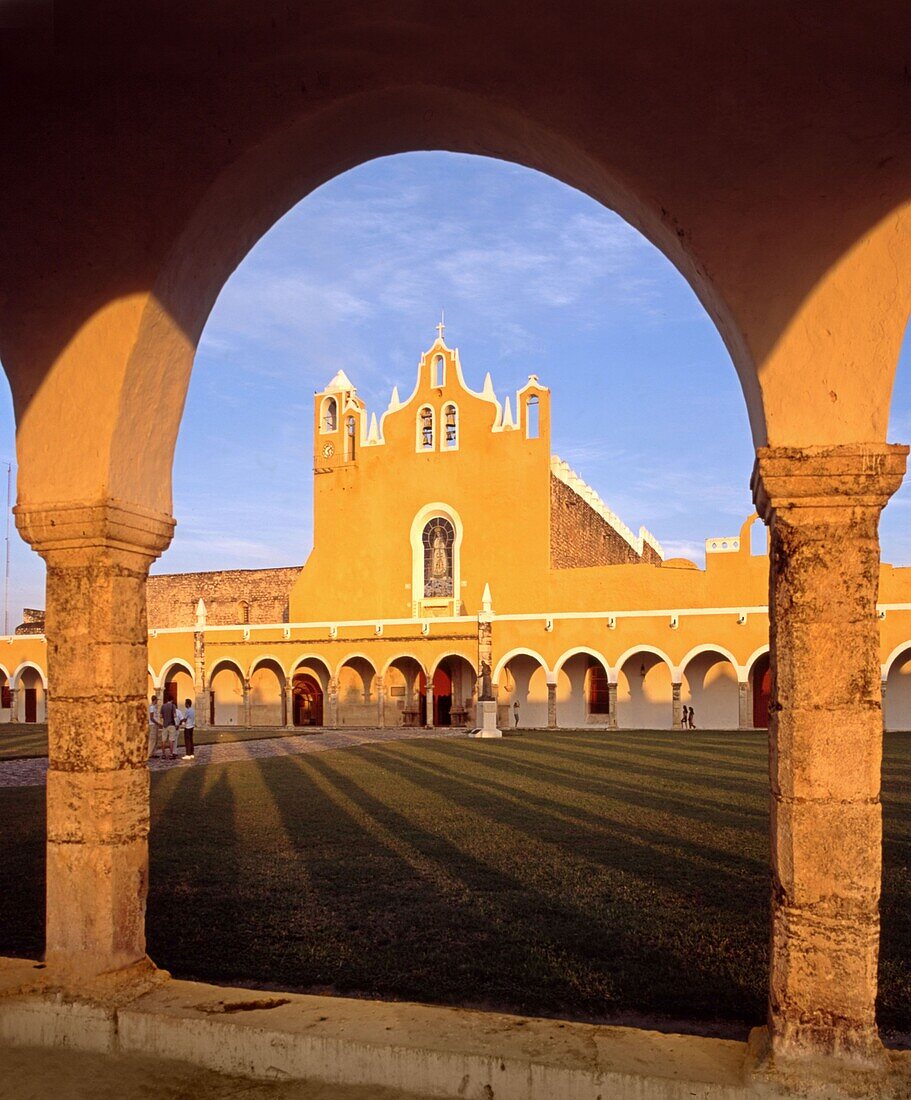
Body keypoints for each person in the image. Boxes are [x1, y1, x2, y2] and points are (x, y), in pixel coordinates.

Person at [160, 694, 178, 761]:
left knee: (163, 740)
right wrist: (176, 724)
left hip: (165, 725)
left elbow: (161, 716)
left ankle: (163, 754)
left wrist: (165, 719)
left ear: (167, 699)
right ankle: (171, 754)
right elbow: (174, 715)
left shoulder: (163, 706)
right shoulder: (173, 706)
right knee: (171, 740)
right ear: (172, 700)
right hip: (171, 724)